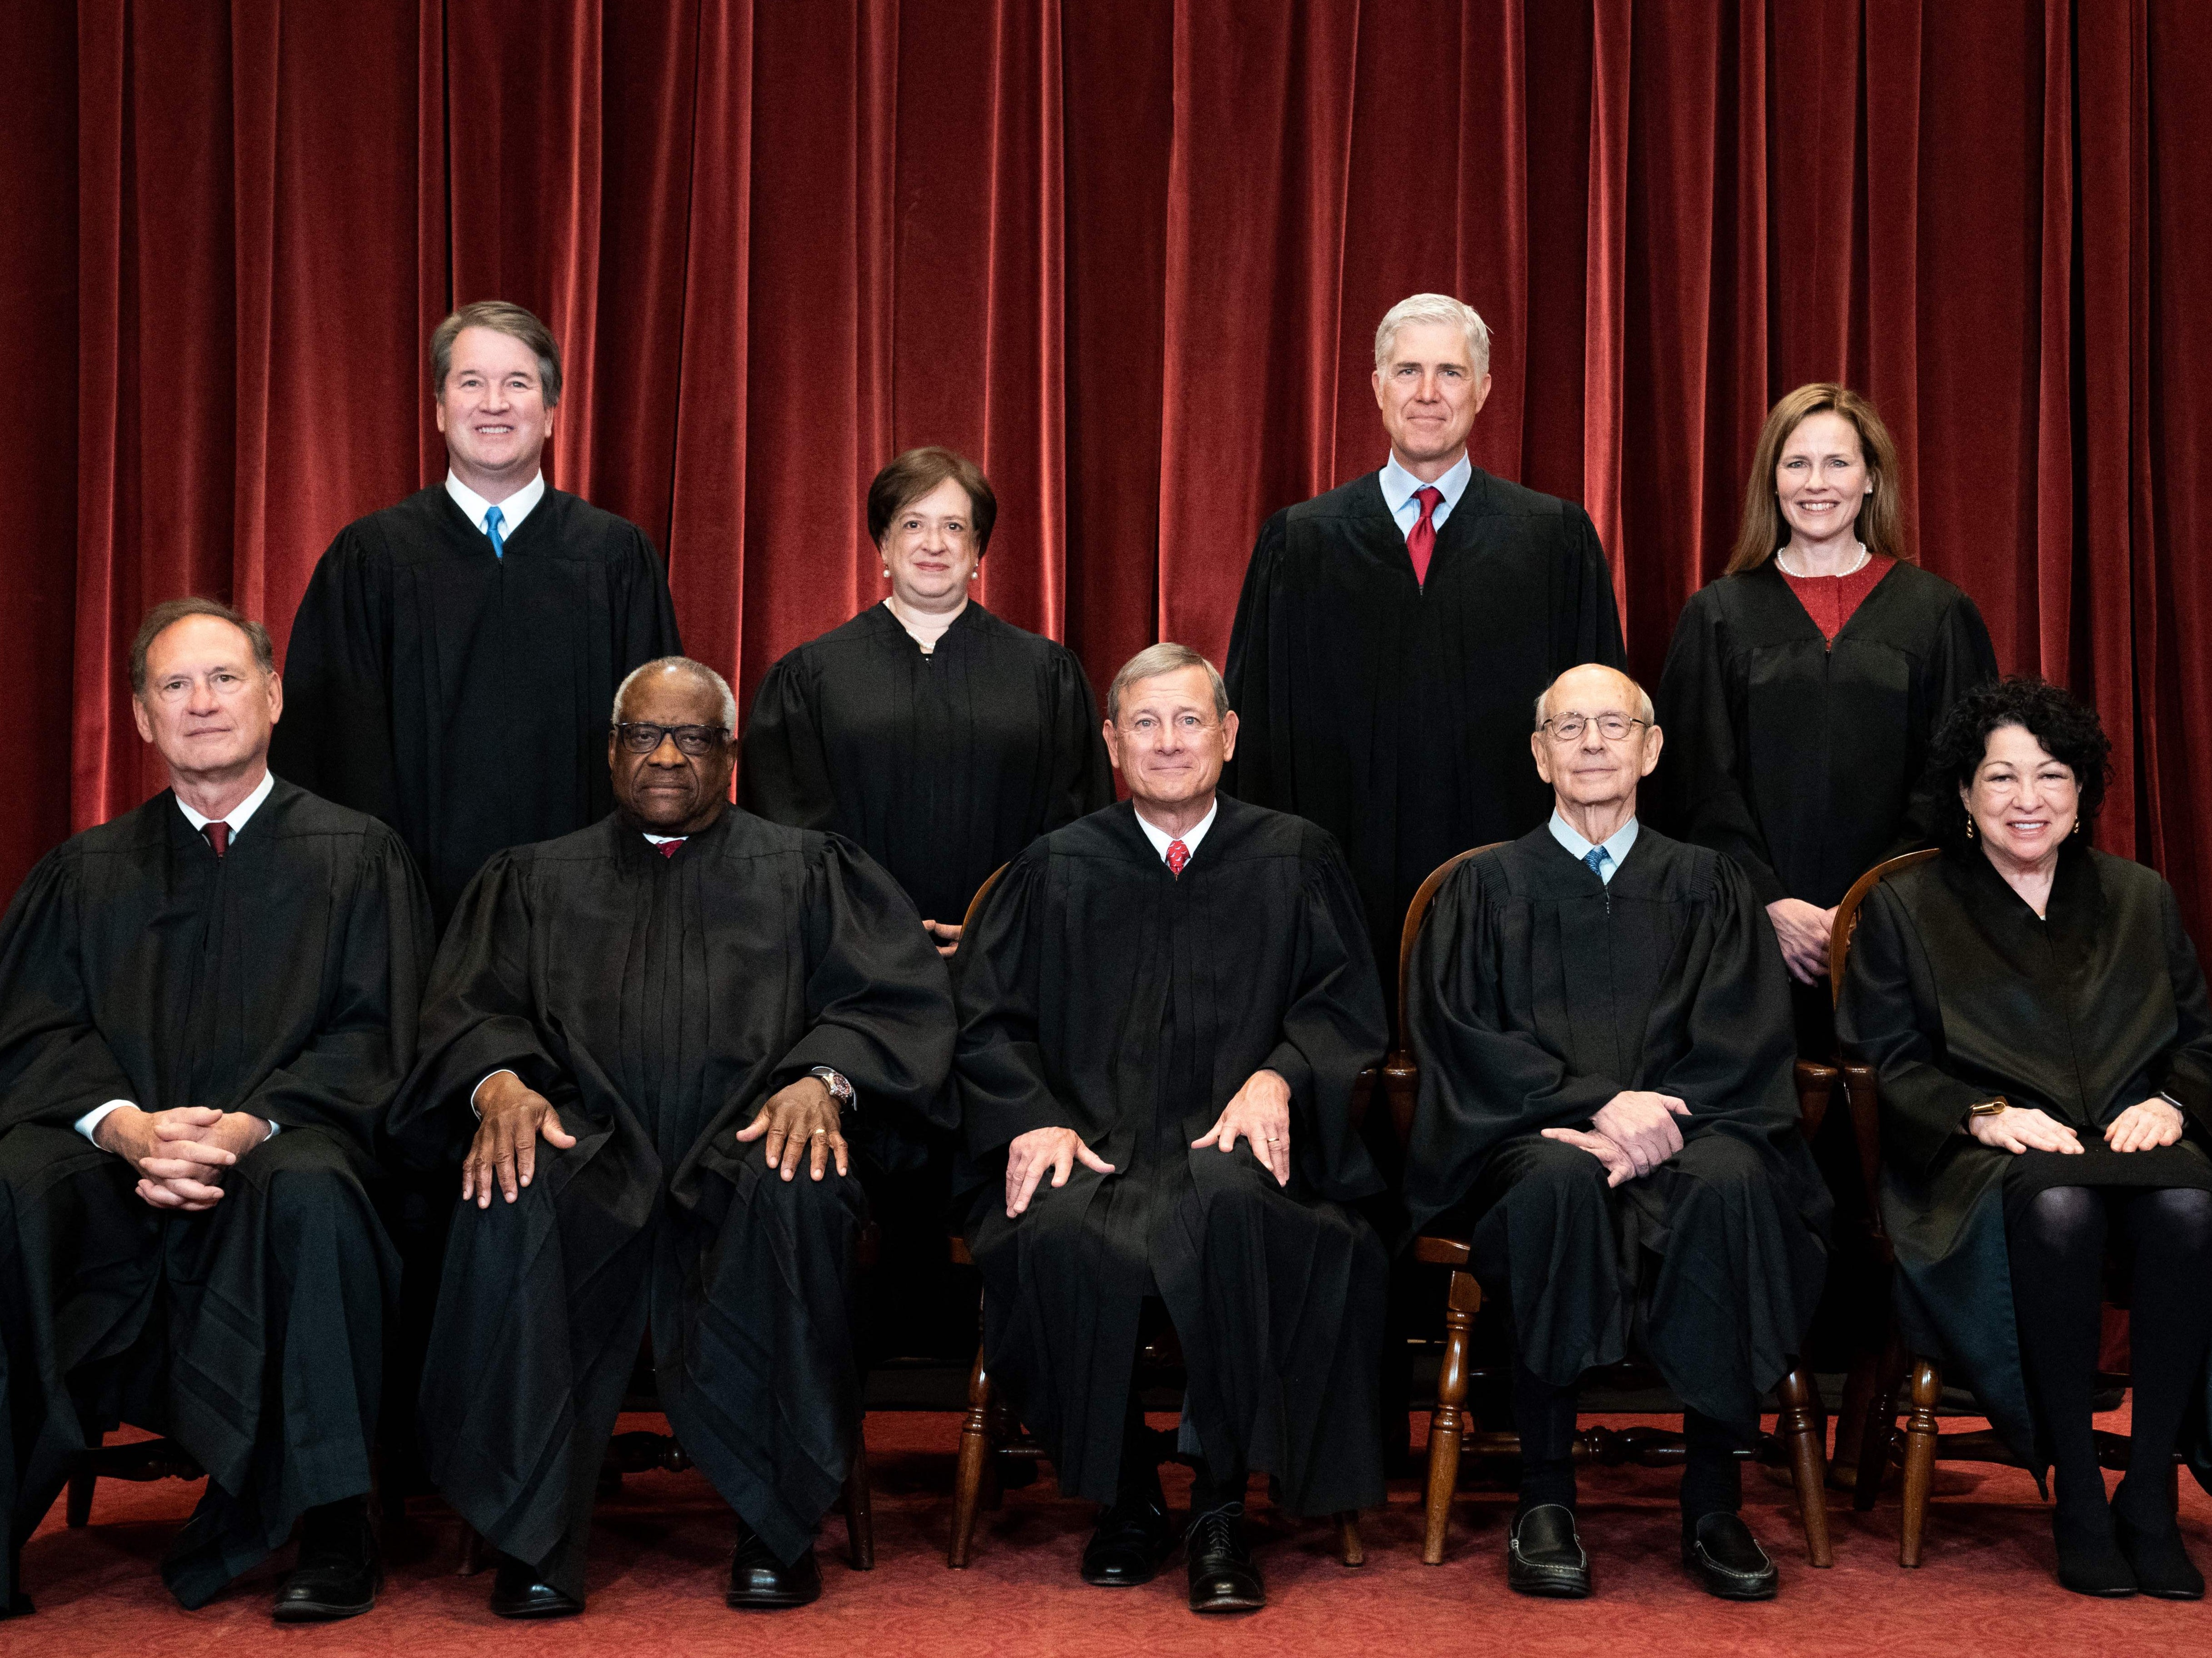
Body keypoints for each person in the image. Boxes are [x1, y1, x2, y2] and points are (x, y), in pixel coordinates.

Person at [391, 657, 953, 1618]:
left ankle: (773, 1525)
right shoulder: (533, 878)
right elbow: (465, 1011)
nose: (666, 756)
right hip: (588, 1151)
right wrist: (501, 1086)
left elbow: (892, 1003)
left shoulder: (810, 871)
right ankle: (534, 1531)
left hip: (746, 1146)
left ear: (728, 755)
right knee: (510, 1187)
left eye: (692, 738)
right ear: (611, 751)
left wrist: (822, 1080)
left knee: (798, 1186)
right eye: (645, 735)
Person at [0, 599, 433, 1621]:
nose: (203, 704)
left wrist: (247, 1127)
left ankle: (333, 1527)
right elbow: (32, 1032)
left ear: (274, 696)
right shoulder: (87, 871)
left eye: (227, 679)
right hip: (123, 1169)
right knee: (15, 1182)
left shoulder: (357, 856)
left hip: (278, 1157)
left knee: (317, 1193)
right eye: (175, 687)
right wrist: (125, 1127)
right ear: (143, 719)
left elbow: (379, 1036)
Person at [955, 643, 1390, 1616]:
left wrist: (1280, 1078)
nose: (1168, 742)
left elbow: (1343, 1010)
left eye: (1190, 720)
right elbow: (985, 1020)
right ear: (1111, 742)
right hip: (1095, 1145)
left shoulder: (1296, 857)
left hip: (1237, 1147)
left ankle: (1223, 1507)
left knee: (1235, 1214)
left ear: (1229, 736)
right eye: (1144, 724)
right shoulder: (1056, 866)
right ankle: (1128, 1494)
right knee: (1060, 1232)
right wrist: (1032, 1119)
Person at [1403, 663, 1830, 1603]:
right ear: (1538, 752)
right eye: (1569, 727)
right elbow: (1463, 1039)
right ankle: (1544, 1498)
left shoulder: (1708, 883)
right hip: (1534, 1133)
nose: (1592, 744)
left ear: (1651, 747)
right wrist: (1597, 1104)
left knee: (1731, 1183)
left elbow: (1744, 1034)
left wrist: (1656, 1122)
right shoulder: (1483, 888)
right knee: (1553, 1184)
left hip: (1694, 1128)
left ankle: (1714, 1499)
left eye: (1613, 725)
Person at [1837, 677, 2212, 1599]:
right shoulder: (1909, 906)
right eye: (2000, 778)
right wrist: (1982, 1113)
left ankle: (2151, 1491)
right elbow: (1883, 1058)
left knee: (2192, 1205)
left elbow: (2200, 1039)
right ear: (1963, 797)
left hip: (2132, 1137)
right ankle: (2079, 1493)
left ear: (2082, 793)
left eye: (2051, 776)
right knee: (2058, 1207)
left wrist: (2172, 1100)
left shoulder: (2139, 897)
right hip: (1978, 1157)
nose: (2027, 799)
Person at [1223, 292, 1624, 1014]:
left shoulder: (1553, 541)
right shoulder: (1300, 543)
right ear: (1375, 387)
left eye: (1450, 371)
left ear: (1483, 389)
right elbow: (1254, 740)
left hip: (1514, 894)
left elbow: (1602, 737)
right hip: (1337, 885)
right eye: (1407, 371)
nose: (1428, 393)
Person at [270, 299, 683, 926]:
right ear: (439, 409)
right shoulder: (370, 559)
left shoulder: (615, 557)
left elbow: (659, 738)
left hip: (590, 912)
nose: (494, 403)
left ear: (549, 413)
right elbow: (322, 750)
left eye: (517, 384)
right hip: (407, 916)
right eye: (471, 383)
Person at [1656, 383, 1997, 1050]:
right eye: (1795, 463)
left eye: (1837, 463)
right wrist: (1767, 905)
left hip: (1898, 931)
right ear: (1771, 480)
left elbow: (1959, 783)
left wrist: (1868, 904)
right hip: (1744, 937)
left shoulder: (1935, 615)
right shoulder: (1718, 614)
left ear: (1871, 478)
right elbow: (1697, 783)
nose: (1816, 484)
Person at [742, 446, 1113, 955]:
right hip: (855, 961)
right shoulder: (809, 678)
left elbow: (1075, 828)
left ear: (978, 550)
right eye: (913, 524)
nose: (934, 543)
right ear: (883, 547)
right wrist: (873, 931)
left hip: (1012, 960)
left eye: (954, 527)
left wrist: (999, 929)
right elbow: (788, 839)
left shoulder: (1046, 674)